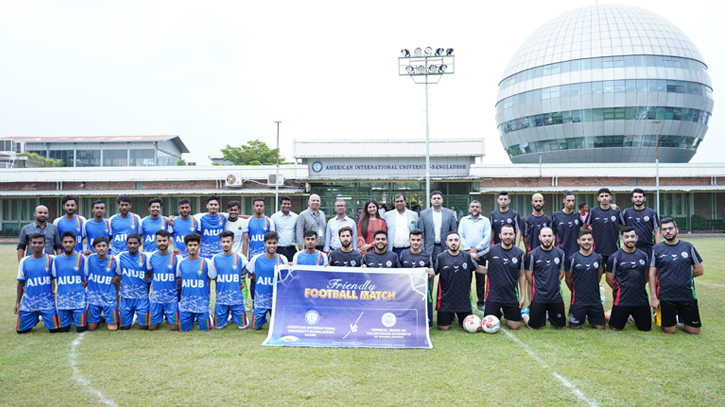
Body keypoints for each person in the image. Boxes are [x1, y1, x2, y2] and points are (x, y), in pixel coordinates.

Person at [649, 218, 704, 334]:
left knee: (694, 331)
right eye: (664, 229)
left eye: (670, 228)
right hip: (665, 295)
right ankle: (657, 315)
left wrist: (682, 275)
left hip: (687, 294)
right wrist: (654, 298)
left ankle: (679, 318)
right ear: (661, 232)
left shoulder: (688, 247)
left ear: (677, 230)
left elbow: (699, 270)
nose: (667, 231)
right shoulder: (656, 249)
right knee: (670, 330)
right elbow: (652, 274)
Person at [472, 224, 526, 330]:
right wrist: (458, 254)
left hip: (511, 296)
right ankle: (500, 309)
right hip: (493, 296)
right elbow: (474, 257)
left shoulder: (519, 253)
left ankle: (504, 311)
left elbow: (522, 275)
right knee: (488, 325)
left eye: (510, 234)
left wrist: (523, 296)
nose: (508, 236)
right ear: (500, 235)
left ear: (514, 236)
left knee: (515, 326)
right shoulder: (492, 249)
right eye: (505, 234)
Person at [434, 231, 485, 331]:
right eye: (451, 240)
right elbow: (432, 273)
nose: (454, 242)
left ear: (460, 242)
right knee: (443, 328)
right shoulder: (440, 257)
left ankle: (458, 314)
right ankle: (451, 314)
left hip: (463, 300)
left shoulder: (467, 256)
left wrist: (494, 270)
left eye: (456, 240)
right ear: (446, 243)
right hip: (445, 300)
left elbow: (477, 268)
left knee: (466, 326)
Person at [15, 233, 63, 333]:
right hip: (29, 304)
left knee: (54, 330)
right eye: (34, 243)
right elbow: (20, 283)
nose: (37, 245)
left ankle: (46, 316)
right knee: (21, 331)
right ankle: (35, 318)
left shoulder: (52, 259)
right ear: (30, 244)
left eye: (40, 243)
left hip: (47, 304)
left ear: (45, 244)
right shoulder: (24, 261)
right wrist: (17, 302)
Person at [606, 226, 652, 331]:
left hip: (640, 299)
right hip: (622, 299)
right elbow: (609, 279)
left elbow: (646, 276)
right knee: (615, 328)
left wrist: (636, 286)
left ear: (637, 237)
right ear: (622, 238)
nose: (630, 239)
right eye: (627, 237)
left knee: (645, 328)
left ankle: (631, 316)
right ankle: (610, 314)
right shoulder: (614, 257)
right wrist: (622, 288)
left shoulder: (644, 256)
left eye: (632, 236)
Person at [522, 227, 566, 330]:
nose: (547, 238)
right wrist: (541, 286)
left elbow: (561, 274)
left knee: (561, 327)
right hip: (539, 296)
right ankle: (524, 315)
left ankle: (549, 315)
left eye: (549, 236)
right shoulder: (533, 254)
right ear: (539, 238)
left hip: (555, 295)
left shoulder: (560, 253)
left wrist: (552, 283)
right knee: (533, 327)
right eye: (544, 236)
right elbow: (529, 276)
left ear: (554, 237)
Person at [247, 232, 289, 330]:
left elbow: (287, 278)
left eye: (274, 243)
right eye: (269, 243)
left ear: (277, 244)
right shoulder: (256, 259)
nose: (272, 246)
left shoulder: (282, 259)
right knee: (255, 327)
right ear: (264, 244)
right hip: (261, 301)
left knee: (279, 328)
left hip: (277, 300)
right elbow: (249, 272)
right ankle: (263, 318)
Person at [565, 230, 605, 330]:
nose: (586, 242)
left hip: (594, 299)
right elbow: (568, 279)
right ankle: (576, 313)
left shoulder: (598, 258)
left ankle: (590, 316)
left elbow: (598, 277)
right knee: (575, 327)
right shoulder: (572, 259)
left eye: (589, 239)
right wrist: (575, 290)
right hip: (578, 300)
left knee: (601, 327)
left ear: (592, 241)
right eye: (583, 239)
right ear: (578, 241)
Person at [177, 233, 217, 332]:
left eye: (195, 245)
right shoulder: (181, 263)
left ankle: (209, 315)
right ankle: (192, 318)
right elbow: (179, 280)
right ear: (186, 247)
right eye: (190, 245)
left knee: (206, 329)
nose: (193, 247)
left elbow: (213, 278)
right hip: (186, 305)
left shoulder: (206, 262)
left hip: (202, 306)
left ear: (199, 247)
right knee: (183, 330)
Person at [458, 200, 491, 311]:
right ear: (469, 209)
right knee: (466, 279)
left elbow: (487, 237)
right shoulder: (463, 220)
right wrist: (468, 249)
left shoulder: (485, 221)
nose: (475, 208)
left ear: (480, 209)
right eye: (472, 206)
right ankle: (465, 300)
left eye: (477, 206)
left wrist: (476, 249)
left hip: (480, 253)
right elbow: (460, 235)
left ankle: (481, 302)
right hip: (466, 253)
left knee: (480, 280)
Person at [212, 231, 249, 330]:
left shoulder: (240, 257)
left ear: (233, 242)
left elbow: (245, 270)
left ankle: (237, 316)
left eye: (228, 241)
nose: (225, 244)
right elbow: (214, 276)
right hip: (221, 299)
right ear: (220, 243)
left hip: (236, 299)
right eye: (223, 242)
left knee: (243, 327)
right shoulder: (215, 258)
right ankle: (228, 316)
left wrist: (239, 280)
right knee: (218, 328)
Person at [53, 231, 88, 332]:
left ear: (75, 243)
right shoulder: (57, 260)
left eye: (70, 242)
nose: (68, 244)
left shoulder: (82, 258)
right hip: (63, 300)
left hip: (79, 300)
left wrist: (86, 282)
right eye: (65, 242)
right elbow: (52, 277)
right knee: (63, 330)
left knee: (81, 329)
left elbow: (89, 275)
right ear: (62, 243)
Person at [147, 230, 182, 331]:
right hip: (156, 298)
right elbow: (149, 274)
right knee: (151, 328)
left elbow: (181, 274)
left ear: (169, 241)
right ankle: (160, 317)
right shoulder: (151, 257)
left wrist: (179, 257)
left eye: (164, 240)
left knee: (175, 328)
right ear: (156, 242)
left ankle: (168, 314)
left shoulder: (175, 256)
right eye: (159, 241)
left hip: (171, 299)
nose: (162, 243)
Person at [399, 228, 434, 328]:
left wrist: (432, 275)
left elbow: (430, 279)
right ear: (409, 240)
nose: (415, 242)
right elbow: (398, 274)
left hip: (422, 293)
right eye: (413, 240)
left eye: (418, 240)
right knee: (406, 325)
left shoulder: (427, 255)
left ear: (422, 241)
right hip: (407, 292)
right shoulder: (403, 254)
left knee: (428, 328)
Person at [86, 237, 121, 331]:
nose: (101, 248)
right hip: (94, 300)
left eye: (103, 246)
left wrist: (116, 280)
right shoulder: (90, 259)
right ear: (94, 248)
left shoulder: (114, 260)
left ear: (107, 247)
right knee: (91, 328)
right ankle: (101, 318)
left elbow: (119, 277)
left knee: (112, 328)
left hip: (109, 300)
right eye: (98, 246)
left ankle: (115, 317)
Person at [584, 188, 624, 271]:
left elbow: (625, 226)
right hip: (598, 250)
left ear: (610, 197)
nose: (604, 198)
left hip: (614, 249)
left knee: (615, 275)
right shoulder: (593, 211)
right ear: (598, 198)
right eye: (602, 196)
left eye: (606, 196)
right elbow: (584, 227)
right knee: (596, 275)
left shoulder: (617, 211)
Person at [117, 233, 151, 330]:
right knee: (124, 327)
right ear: (126, 244)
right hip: (126, 297)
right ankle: (132, 317)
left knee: (143, 327)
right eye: (130, 243)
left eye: (135, 243)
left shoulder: (145, 257)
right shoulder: (120, 257)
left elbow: (151, 271)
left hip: (141, 298)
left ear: (140, 244)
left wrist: (147, 278)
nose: (132, 245)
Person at [244, 197, 275, 302]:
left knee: (268, 279)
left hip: (267, 257)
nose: (259, 208)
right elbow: (245, 241)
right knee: (254, 279)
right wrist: (245, 258)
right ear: (253, 207)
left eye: (261, 206)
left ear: (264, 207)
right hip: (253, 257)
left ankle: (270, 302)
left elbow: (273, 240)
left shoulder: (269, 221)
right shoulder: (248, 221)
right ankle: (254, 303)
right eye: (257, 205)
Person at [622, 188, 660, 261]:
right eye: (635, 197)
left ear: (644, 198)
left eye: (640, 196)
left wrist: (658, 248)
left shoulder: (652, 213)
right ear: (632, 199)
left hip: (648, 247)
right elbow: (624, 227)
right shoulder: (626, 212)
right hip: (631, 246)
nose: (638, 199)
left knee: (648, 269)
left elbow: (656, 232)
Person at [418, 190, 457, 259]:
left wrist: (451, 247)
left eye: (438, 198)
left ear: (442, 200)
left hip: (445, 248)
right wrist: (422, 249)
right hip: (428, 249)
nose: (436, 200)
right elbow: (421, 233)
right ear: (431, 200)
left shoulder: (450, 213)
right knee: (430, 269)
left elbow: (453, 232)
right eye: (434, 198)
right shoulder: (423, 214)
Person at [552, 190, 582, 260]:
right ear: (563, 201)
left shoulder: (577, 215)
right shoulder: (556, 215)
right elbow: (552, 233)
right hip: (560, 250)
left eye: (573, 201)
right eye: (568, 200)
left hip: (575, 250)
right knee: (561, 271)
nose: (571, 203)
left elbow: (583, 229)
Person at [195, 195, 227, 259]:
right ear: (207, 206)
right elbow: (186, 218)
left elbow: (237, 216)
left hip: (219, 253)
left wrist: (250, 217)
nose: (213, 206)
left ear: (218, 206)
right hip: (205, 253)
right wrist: (171, 217)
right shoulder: (200, 217)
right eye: (211, 204)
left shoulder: (224, 216)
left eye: (215, 204)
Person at [271, 196, 298, 261]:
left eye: (288, 204)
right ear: (280, 205)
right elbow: (272, 233)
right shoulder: (274, 217)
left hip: (292, 249)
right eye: (284, 204)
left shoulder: (296, 217)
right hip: (279, 249)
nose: (286, 205)